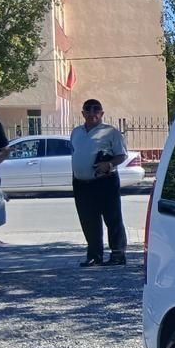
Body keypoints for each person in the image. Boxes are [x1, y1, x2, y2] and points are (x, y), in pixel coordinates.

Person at [70, 99, 128, 266]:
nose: (92, 113)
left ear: (102, 114)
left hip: (105, 181)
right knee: (88, 220)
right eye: (88, 110)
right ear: (83, 113)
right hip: (81, 183)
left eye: (96, 110)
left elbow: (122, 155)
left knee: (112, 218)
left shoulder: (111, 132)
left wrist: (108, 164)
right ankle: (95, 255)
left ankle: (118, 254)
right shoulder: (76, 132)